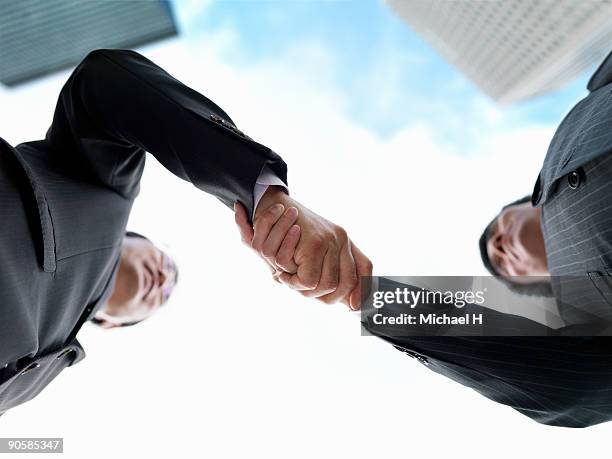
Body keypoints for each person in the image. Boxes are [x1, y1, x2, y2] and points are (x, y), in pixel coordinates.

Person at [234, 48, 612, 428]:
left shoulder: (566, 140)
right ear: (539, 287)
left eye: (498, 227)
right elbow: (576, 385)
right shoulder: (589, 315)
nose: (500, 246)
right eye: (505, 265)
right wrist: (367, 294)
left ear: (525, 201)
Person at [0, 48, 371, 416]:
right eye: (166, 265)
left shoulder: (41, 377)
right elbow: (104, 83)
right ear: (131, 236)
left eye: (163, 294)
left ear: (112, 324)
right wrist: (265, 197)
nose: (162, 278)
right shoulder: (104, 188)